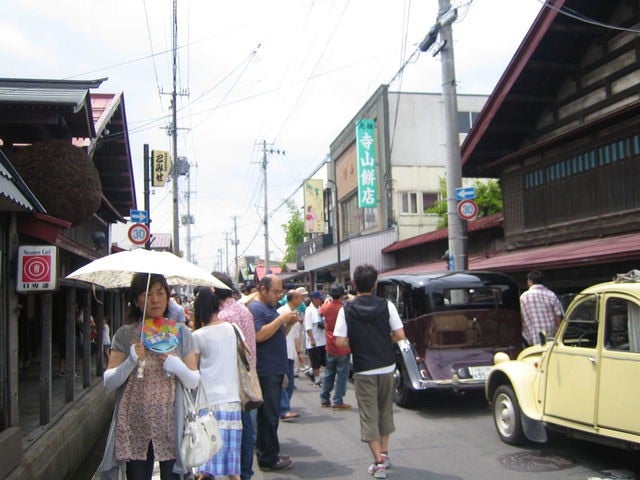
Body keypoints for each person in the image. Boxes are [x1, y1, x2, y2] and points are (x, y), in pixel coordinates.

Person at [96, 273, 200, 480]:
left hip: (172, 422)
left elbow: (194, 380)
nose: (155, 299)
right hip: (134, 423)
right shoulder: (125, 335)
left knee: (173, 476)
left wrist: (178, 367)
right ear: (136, 300)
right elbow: (109, 382)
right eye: (147, 294)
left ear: (168, 296)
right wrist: (130, 360)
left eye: (160, 293)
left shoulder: (180, 332)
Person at [334, 264, 405, 480]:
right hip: (387, 365)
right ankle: (384, 453)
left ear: (354, 284)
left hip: (364, 369)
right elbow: (400, 334)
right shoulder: (387, 305)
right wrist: (384, 341)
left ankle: (378, 462)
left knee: (368, 415)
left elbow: (339, 342)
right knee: (385, 411)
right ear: (374, 284)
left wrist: (356, 344)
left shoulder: (346, 309)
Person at [247, 275, 298, 472]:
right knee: (268, 416)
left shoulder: (269, 308)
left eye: (280, 292)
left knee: (270, 415)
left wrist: (288, 323)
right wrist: (281, 319)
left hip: (274, 368)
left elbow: (275, 334)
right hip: (266, 370)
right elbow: (259, 335)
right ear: (262, 289)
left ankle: (269, 453)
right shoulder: (257, 308)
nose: (279, 296)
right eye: (275, 292)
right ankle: (268, 459)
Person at [211, 271, 258, 480]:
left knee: (230, 431)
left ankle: (232, 472)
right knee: (246, 427)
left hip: (229, 380)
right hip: (248, 376)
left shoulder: (222, 317)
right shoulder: (243, 310)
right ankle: (245, 473)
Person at [192, 287, 242, 480]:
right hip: (232, 401)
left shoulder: (199, 336)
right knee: (232, 467)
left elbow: (193, 372)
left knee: (205, 465)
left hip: (208, 403)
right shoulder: (233, 329)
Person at [319, 283, 351, 409]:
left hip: (330, 344)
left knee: (328, 373)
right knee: (342, 375)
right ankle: (338, 401)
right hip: (343, 345)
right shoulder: (344, 308)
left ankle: (324, 398)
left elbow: (320, 313)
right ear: (342, 295)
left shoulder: (325, 307)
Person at [277, 290, 305, 420]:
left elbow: (296, 336)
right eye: (299, 297)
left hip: (291, 352)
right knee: (285, 383)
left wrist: (299, 352)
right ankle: (284, 410)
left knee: (290, 382)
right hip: (282, 352)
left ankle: (284, 407)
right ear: (293, 298)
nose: (301, 300)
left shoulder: (296, 313)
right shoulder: (282, 312)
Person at [520, 270, 563, 346]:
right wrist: (558, 331)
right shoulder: (551, 294)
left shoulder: (524, 297)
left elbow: (521, 317)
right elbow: (558, 314)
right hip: (550, 335)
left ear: (530, 281)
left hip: (532, 335)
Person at [303, 291, 327, 386]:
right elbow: (308, 327)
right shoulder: (309, 310)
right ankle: (317, 380)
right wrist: (312, 339)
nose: (321, 300)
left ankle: (310, 372)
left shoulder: (320, 308)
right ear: (314, 299)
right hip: (314, 340)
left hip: (322, 340)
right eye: (319, 299)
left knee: (323, 361)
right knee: (315, 362)